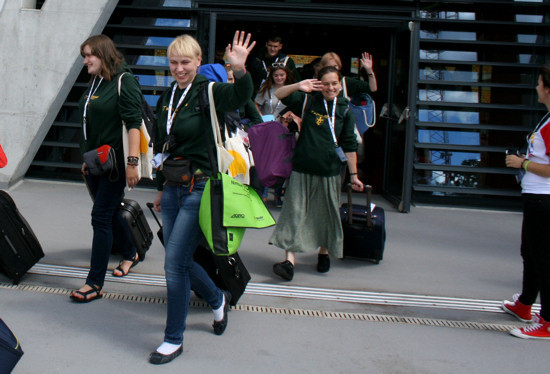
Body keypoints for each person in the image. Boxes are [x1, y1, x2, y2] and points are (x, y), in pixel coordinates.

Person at [149, 31, 255, 364]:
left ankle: (172, 339)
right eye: (174, 62)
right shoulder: (167, 96)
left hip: (200, 187)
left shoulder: (208, 90)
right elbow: (162, 145)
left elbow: (240, 95)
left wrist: (239, 68)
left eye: (185, 62)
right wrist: (160, 187)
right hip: (173, 186)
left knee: (172, 264)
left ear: (198, 62)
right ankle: (217, 299)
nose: (179, 68)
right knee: (180, 260)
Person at [269, 66, 364, 281]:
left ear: (340, 85)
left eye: (334, 83)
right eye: (326, 83)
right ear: (319, 84)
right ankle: (289, 262)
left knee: (326, 214)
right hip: (302, 168)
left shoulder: (345, 110)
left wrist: (354, 175)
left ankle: (323, 253)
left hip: (329, 172)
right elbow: (278, 94)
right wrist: (298, 86)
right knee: (294, 212)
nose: (330, 87)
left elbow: (349, 145)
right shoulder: (308, 101)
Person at [70, 35, 142, 303]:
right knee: (110, 213)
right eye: (84, 55)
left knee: (99, 217)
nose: (86, 60)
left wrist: (132, 164)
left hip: (115, 165)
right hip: (96, 162)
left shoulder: (125, 81)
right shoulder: (96, 81)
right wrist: (87, 158)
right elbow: (91, 123)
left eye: (90, 55)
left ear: (104, 54)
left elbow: (133, 124)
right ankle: (130, 252)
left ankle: (94, 283)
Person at [503, 62, 550, 339]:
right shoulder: (546, 118)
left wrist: (523, 164)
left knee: (544, 258)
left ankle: (546, 321)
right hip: (536, 198)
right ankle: (524, 304)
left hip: (544, 199)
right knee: (530, 253)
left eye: (539, 82)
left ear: (547, 88)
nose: (535, 87)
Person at [254, 65, 295, 206]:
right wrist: (261, 118)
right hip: (267, 128)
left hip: (283, 129)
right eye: (276, 75)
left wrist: (289, 117)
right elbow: (256, 104)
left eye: (281, 75)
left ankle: (278, 195)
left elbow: (295, 107)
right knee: (266, 161)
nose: (279, 78)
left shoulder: (291, 90)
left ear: (286, 76)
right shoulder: (265, 89)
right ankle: (264, 194)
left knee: (280, 162)